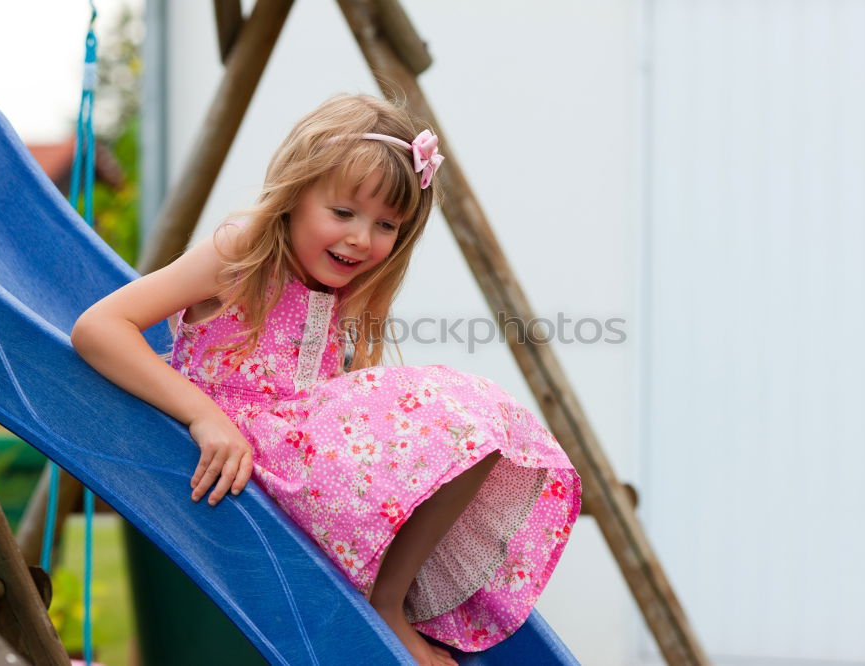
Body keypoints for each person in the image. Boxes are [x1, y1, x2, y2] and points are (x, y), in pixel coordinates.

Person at [71, 93, 581, 665]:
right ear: (294, 194)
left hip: (303, 463)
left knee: (483, 429)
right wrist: (204, 416)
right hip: (245, 452)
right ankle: (383, 601)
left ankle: (387, 599)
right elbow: (99, 327)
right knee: (461, 417)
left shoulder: (340, 292)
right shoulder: (241, 252)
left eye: (386, 225)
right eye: (343, 213)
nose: (362, 238)